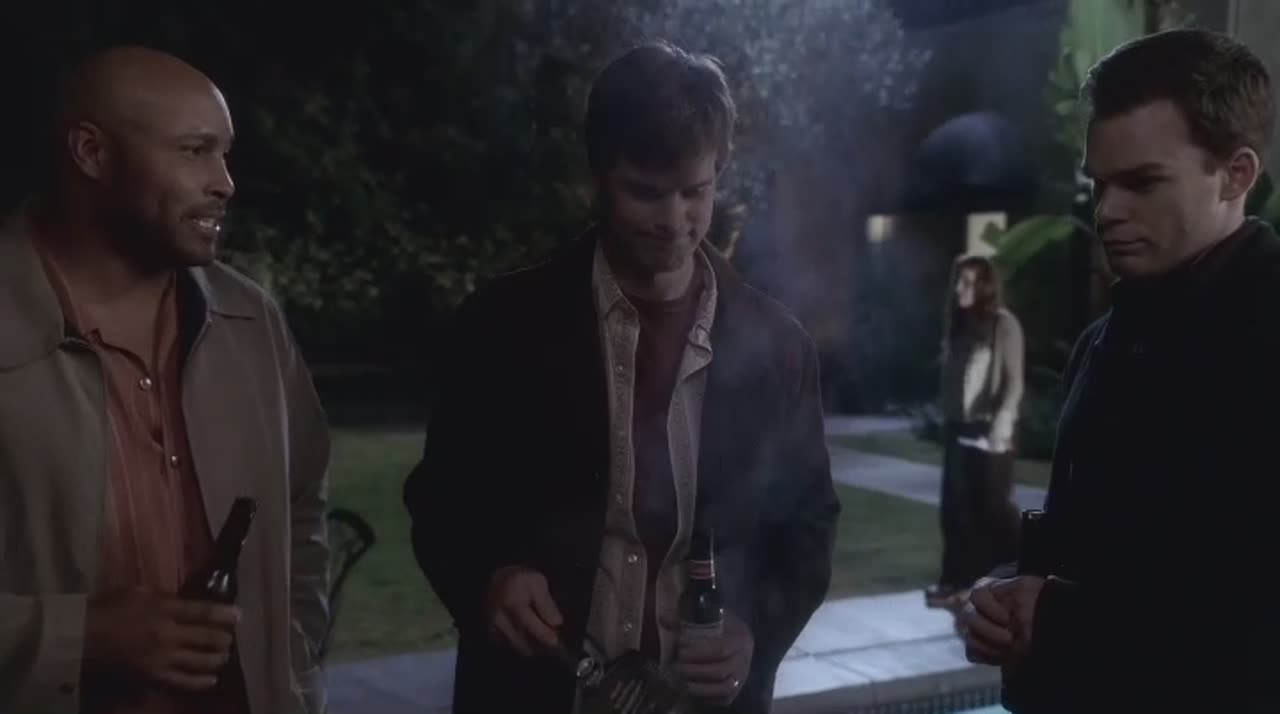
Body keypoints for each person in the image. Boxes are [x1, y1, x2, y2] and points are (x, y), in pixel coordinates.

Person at [404, 40, 840, 714]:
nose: (674, 221)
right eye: (645, 192)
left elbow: (809, 523)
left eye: (695, 192)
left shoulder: (781, 347)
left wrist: (756, 630)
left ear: (719, 172)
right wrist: (491, 579)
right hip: (535, 695)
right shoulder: (503, 326)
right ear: (598, 178)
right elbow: (441, 502)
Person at [0, 47, 330, 714]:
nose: (225, 182)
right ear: (92, 153)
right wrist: (80, 639)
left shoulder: (251, 321)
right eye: (195, 151)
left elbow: (302, 511)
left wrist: (289, 672)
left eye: (225, 154)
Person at [958, 28, 1280, 713]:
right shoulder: (1105, 341)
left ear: (1236, 174)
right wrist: (1009, 596)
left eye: (1142, 183)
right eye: (1099, 184)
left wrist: (1058, 617)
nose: (1107, 212)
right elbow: (1094, 546)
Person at [925, 255, 1024, 609]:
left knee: (992, 510)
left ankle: (1010, 575)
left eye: (967, 282)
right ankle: (954, 581)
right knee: (954, 509)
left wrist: (1001, 426)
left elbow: (1013, 382)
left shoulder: (1004, 324)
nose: (959, 289)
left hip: (991, 430)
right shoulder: (960, 325)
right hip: (959, 428)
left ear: (984, 287)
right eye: (959, 281)